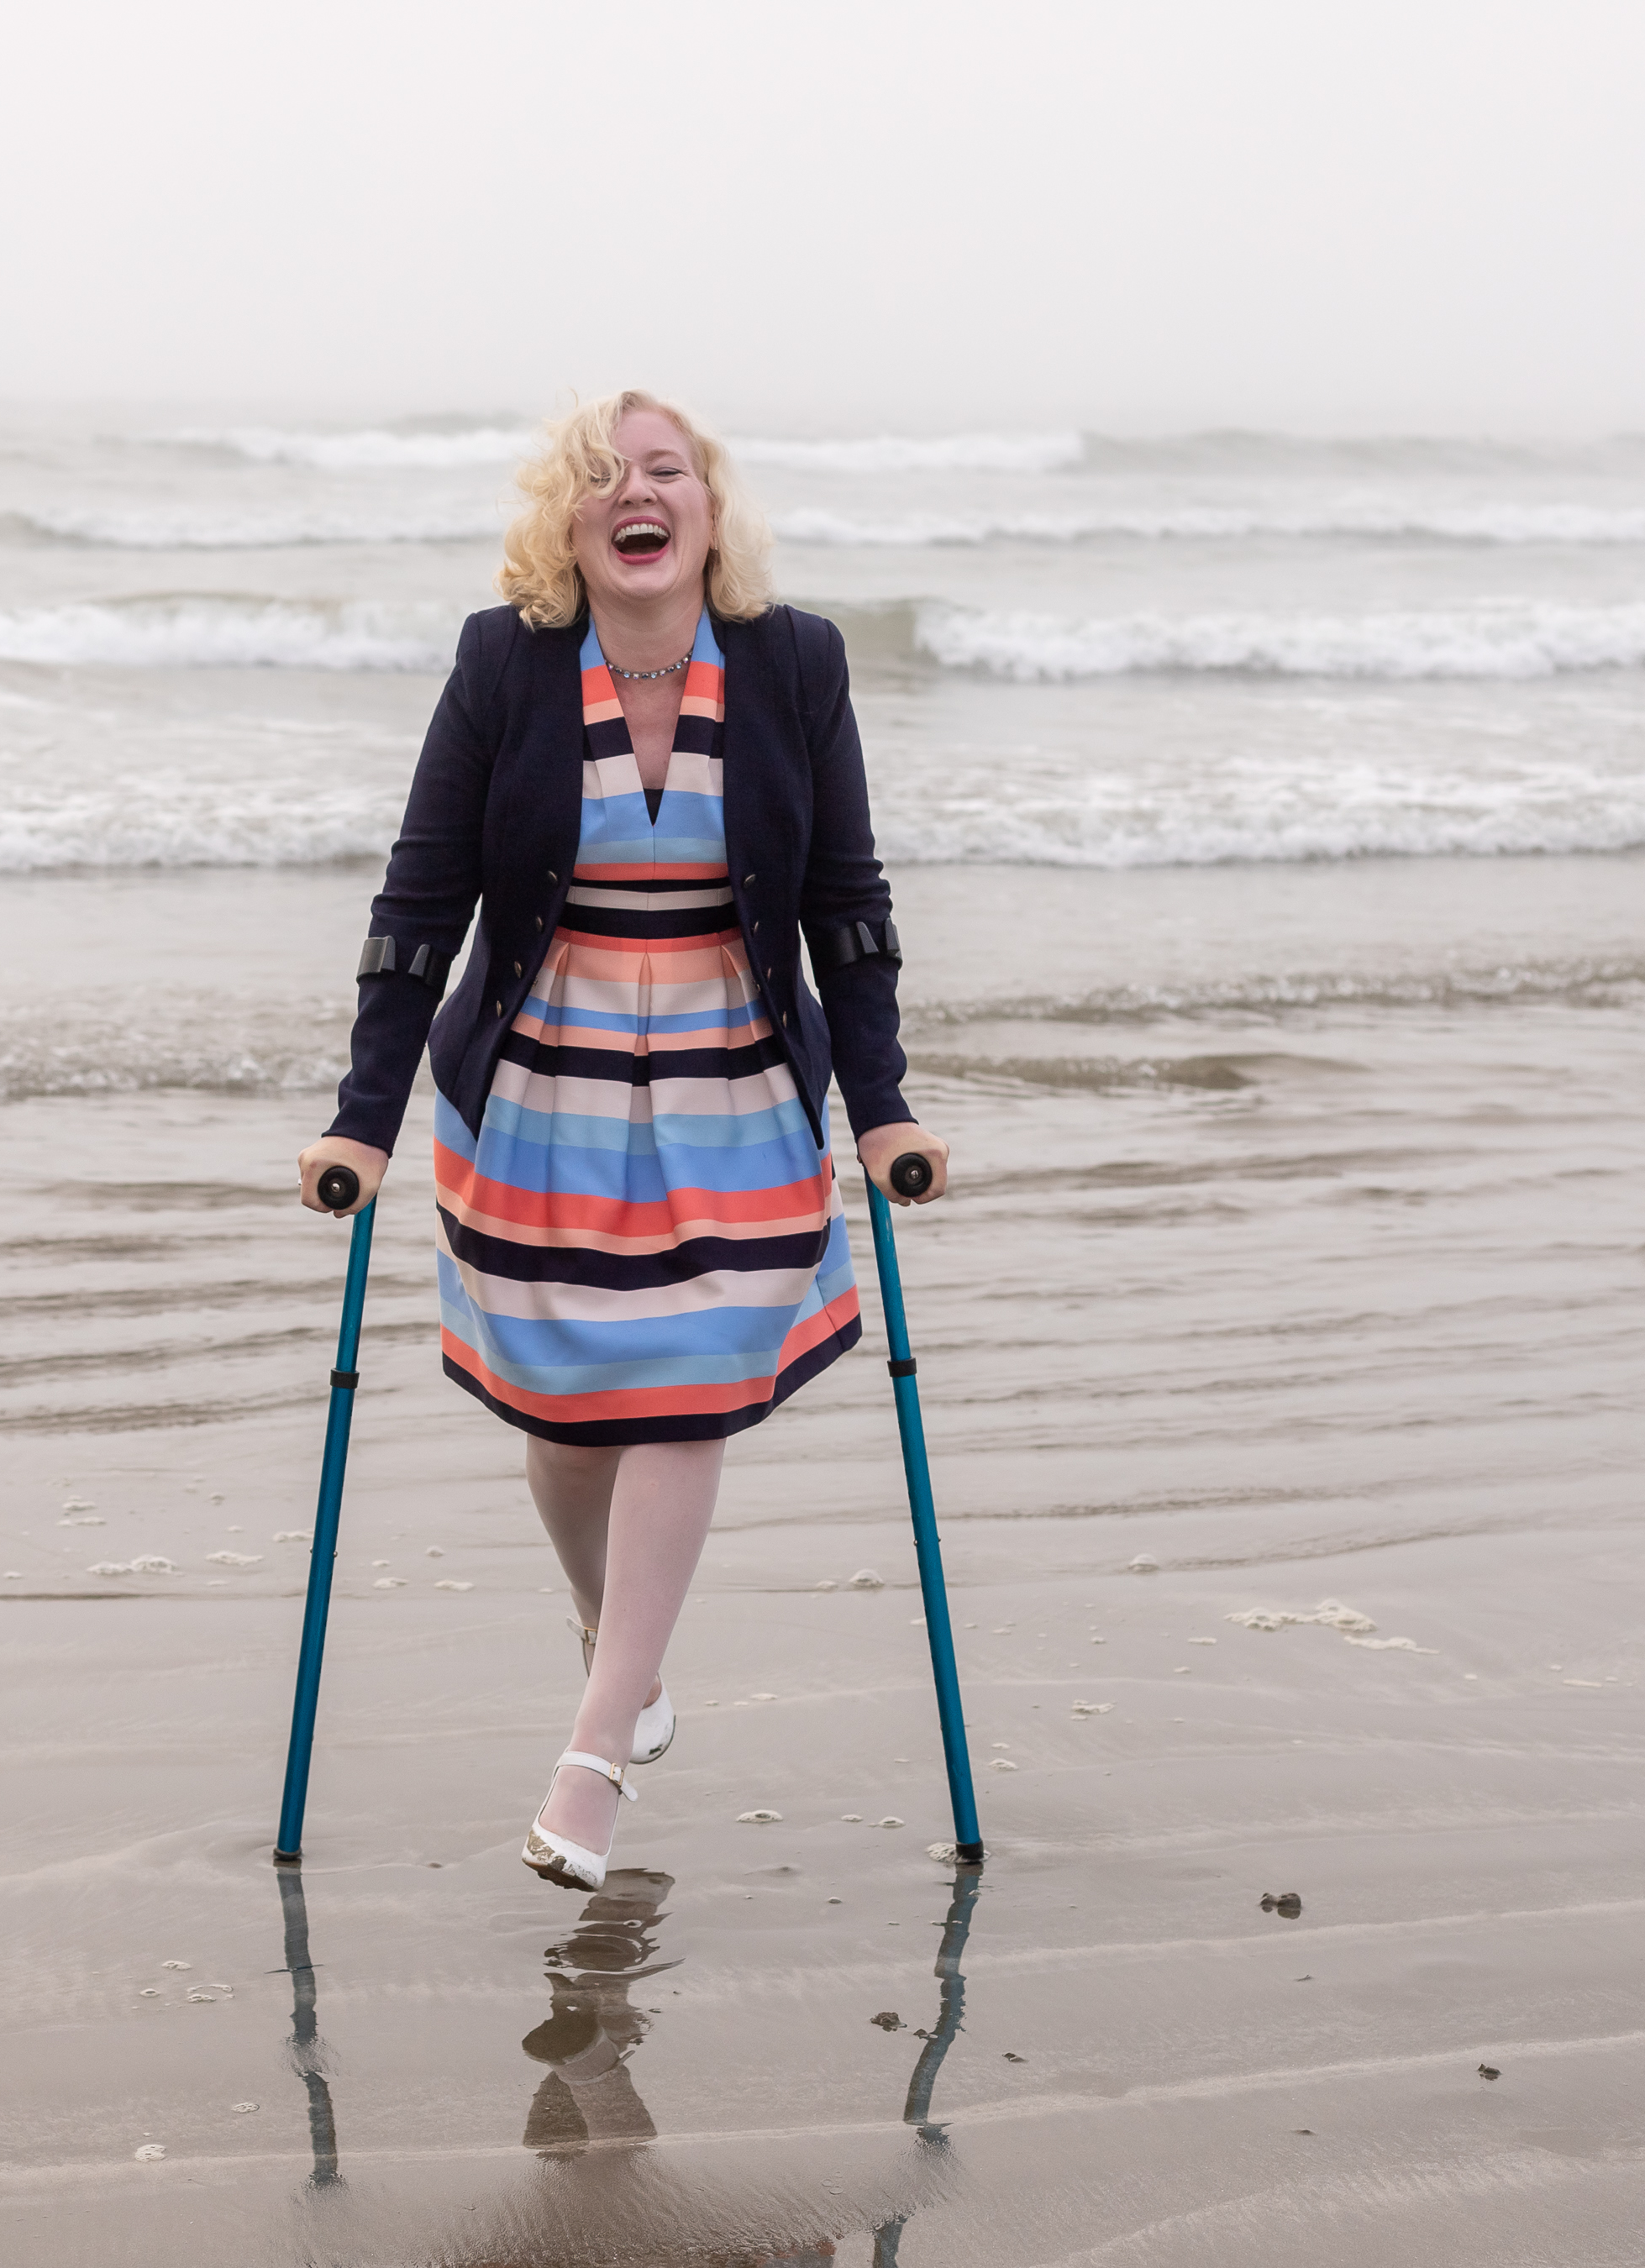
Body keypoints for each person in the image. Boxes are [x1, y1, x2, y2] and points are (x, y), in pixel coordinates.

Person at [294, 390, 947, 1893]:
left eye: (664, 471)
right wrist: (360, 1119)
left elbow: (847, 904)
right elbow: (417, 903)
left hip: (736, 1079)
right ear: (566, 519)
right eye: (600, 476)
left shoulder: (793, 662)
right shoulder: (503, 662)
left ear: (708, 510)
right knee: (567, 1416)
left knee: (688, 1379)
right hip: (542, 1082)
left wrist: (883, 1103)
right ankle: (620, 1645)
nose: (632, 493)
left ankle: (592, 1756)